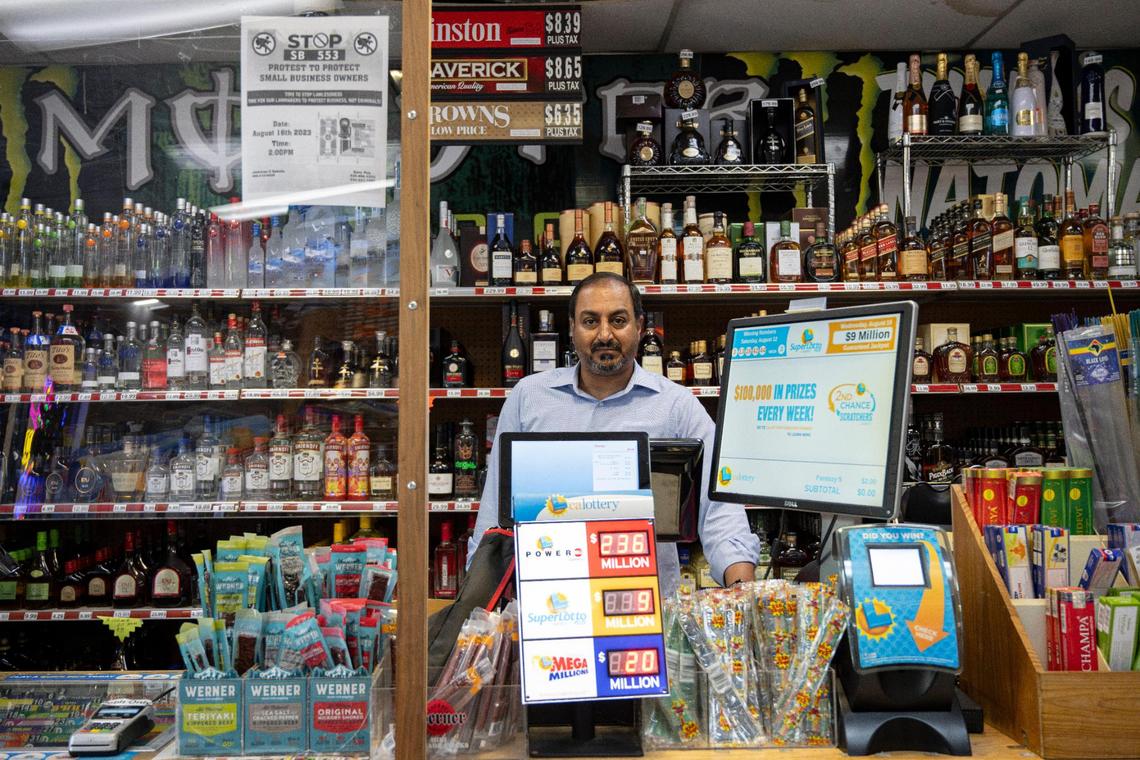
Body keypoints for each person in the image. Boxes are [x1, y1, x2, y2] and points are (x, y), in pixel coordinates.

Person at [467, 271, 758, 595]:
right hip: (548, 608)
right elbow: (493, 517)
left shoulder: (676, 406)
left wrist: (742, 593)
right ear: (572, 328)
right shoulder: (528, 398)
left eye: (618, 320)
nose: (605, 334)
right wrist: (477, 612)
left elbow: (720, 507)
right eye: (591, 321)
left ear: (639, 326)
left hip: (647, 611)